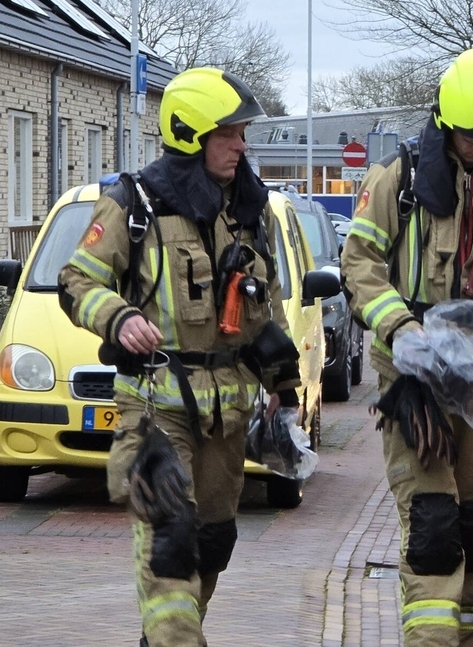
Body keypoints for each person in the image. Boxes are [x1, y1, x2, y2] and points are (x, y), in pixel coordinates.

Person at [58, 66, 301, 647]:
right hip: (154, 413)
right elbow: (76, 282)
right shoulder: (134, 203)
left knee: (211, 546)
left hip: (229, 416)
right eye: (229, 133)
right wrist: (120, 317)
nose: (242, 145)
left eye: (242, 133)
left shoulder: (250, 207)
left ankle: (163, 637)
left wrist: (283, 386)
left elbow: (263, 307)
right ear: (191, 134)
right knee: (170, 546)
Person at [341, 46, 473, 647]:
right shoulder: (400, 180)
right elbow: (359, 265)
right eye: (471, 137)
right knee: (435, 530)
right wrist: (399, 327)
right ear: (445, 123)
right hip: (418, 390)